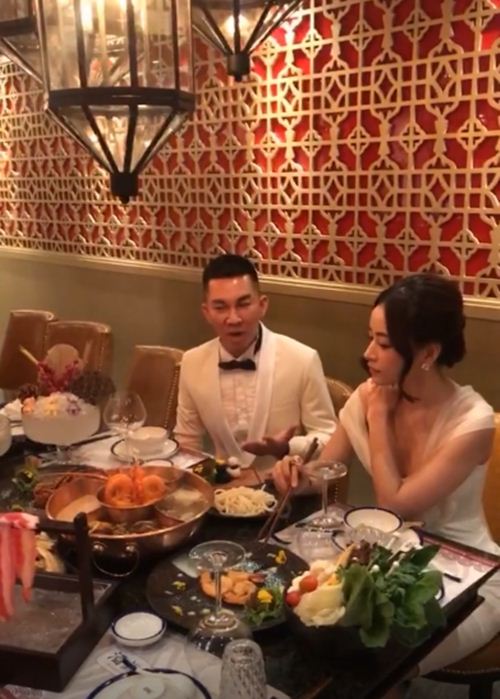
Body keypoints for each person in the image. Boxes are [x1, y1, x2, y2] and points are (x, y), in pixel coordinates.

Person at [273, 273, 500, 675]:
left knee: (374, 661)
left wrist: (379, 417)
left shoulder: (472, 421)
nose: (368, 355)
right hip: (387, 562)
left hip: (469, 576)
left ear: (427, 353)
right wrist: (296, 474)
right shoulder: (369, 394)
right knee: (301, 621)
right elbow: (326, 470)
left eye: (383, 343)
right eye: (369, 338)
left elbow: (394, 505)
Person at [174, 254, 336, 471]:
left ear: (262, 305)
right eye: (220, 307)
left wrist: (288, 447)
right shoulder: (192, 362)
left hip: (284, 485)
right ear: (207, 312)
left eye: (243, 304)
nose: (233, 318)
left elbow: (328, 435)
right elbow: (187, 441)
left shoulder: (302, 359)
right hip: (221, 485)